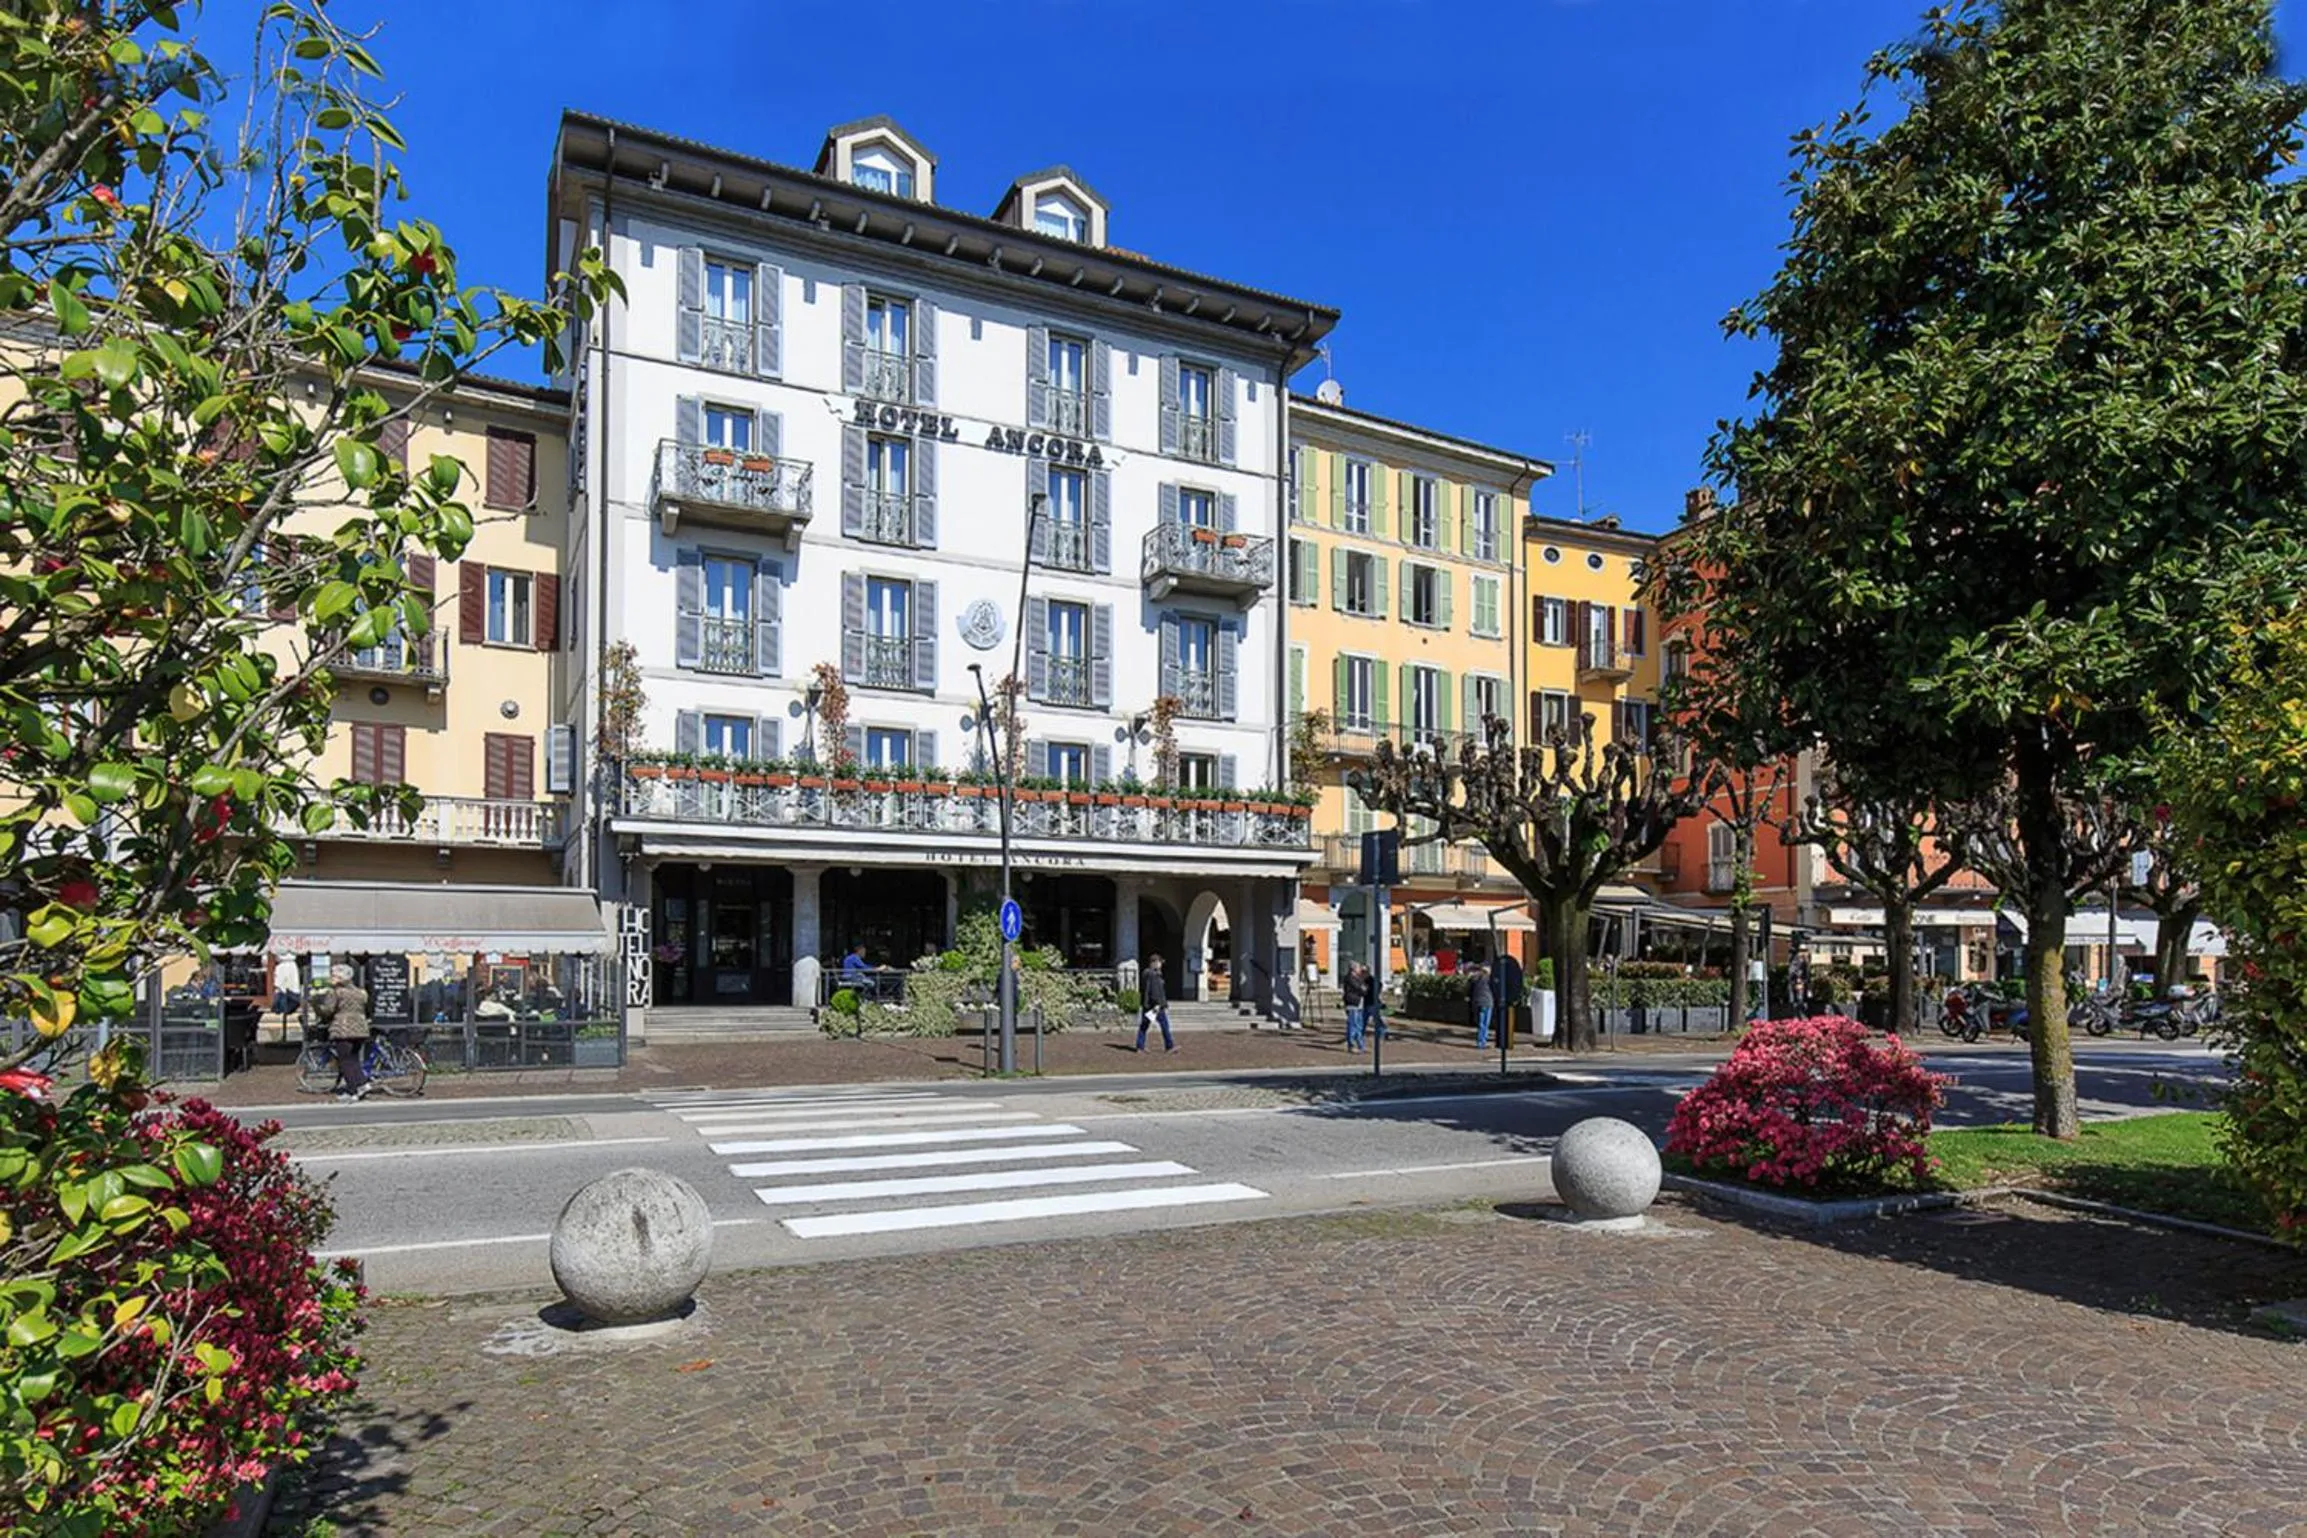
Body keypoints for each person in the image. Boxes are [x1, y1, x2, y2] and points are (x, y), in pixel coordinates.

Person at [310, 964, 372, 1101]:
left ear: (341, 978)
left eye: (334, 975)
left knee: (344, 1061)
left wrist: (315, 1003)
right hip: (361, 1029)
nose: (331, 978)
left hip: (343, 1029)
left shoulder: (336, 992)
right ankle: (362, 1083)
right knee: (354, 1059)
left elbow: (328, 1010)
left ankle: (353, 1090)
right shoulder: (360, 993)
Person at [1136, 954, 1175, 1053]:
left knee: (1144, 1026)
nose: (1161, 964)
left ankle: (1140, 1046)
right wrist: (1158, 1004)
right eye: (1159, 962)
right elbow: (1155, 991)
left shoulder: (1147, 974)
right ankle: (1169, 1046)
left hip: (1148, 1004)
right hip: (1155, 1006)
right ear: (1154, 963)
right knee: (1164, 1025)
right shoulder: (1154, 975)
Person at [1341, 961, 1371, 1052]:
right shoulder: (1350, 978)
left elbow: (1365, 988)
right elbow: (1359, 988)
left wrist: (1363, 987)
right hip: (1352, 1003)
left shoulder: (1358, 978)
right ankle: (1351, 1045)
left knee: (1359, 1025)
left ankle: (1361, 1045)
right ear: (1353, 969)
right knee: (1352, 1025)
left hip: (1359, 1003)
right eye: (1358, 968)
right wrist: (1363, 988)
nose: (1360, 969)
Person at [1470, 963, 1496, 1051]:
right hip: (1488, 1002)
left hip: (1477, 1002)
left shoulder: (1476, 979)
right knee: (1485, 1023)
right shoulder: (1490, 979)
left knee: (1481, 1023)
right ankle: (1482, 1042)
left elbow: (1470, 990)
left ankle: (1480, 1041)